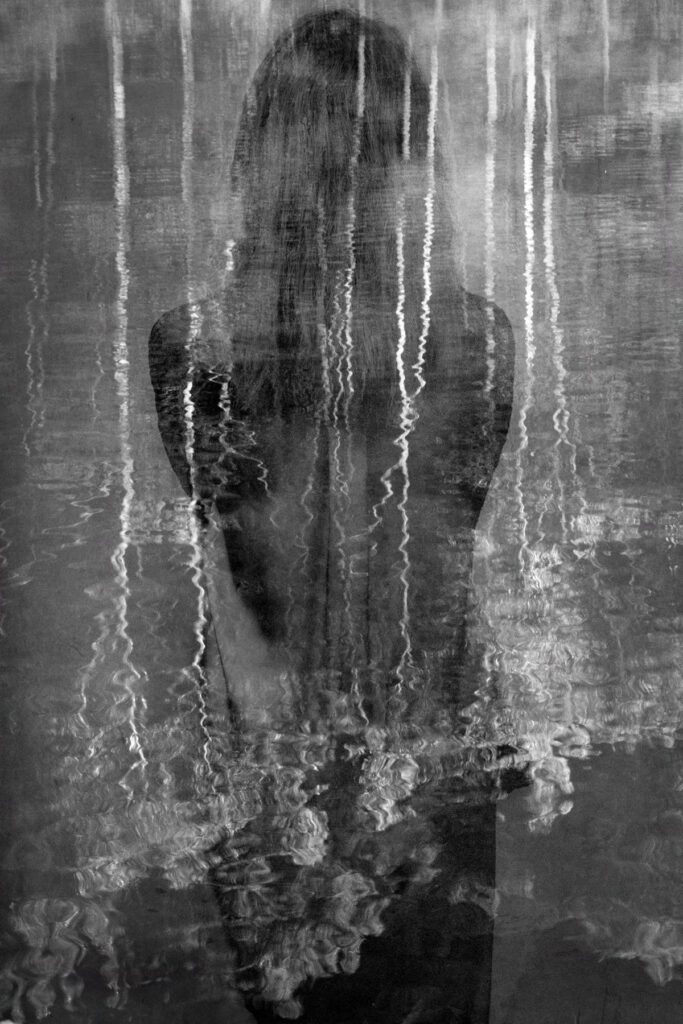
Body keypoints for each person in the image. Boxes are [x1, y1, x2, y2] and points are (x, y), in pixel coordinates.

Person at [149, 10, 516, 1019]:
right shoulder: (473, 340)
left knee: (317, 997)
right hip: (412, 747)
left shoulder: (194, 347)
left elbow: (238, 580)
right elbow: (440, 554)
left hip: (293, 757)